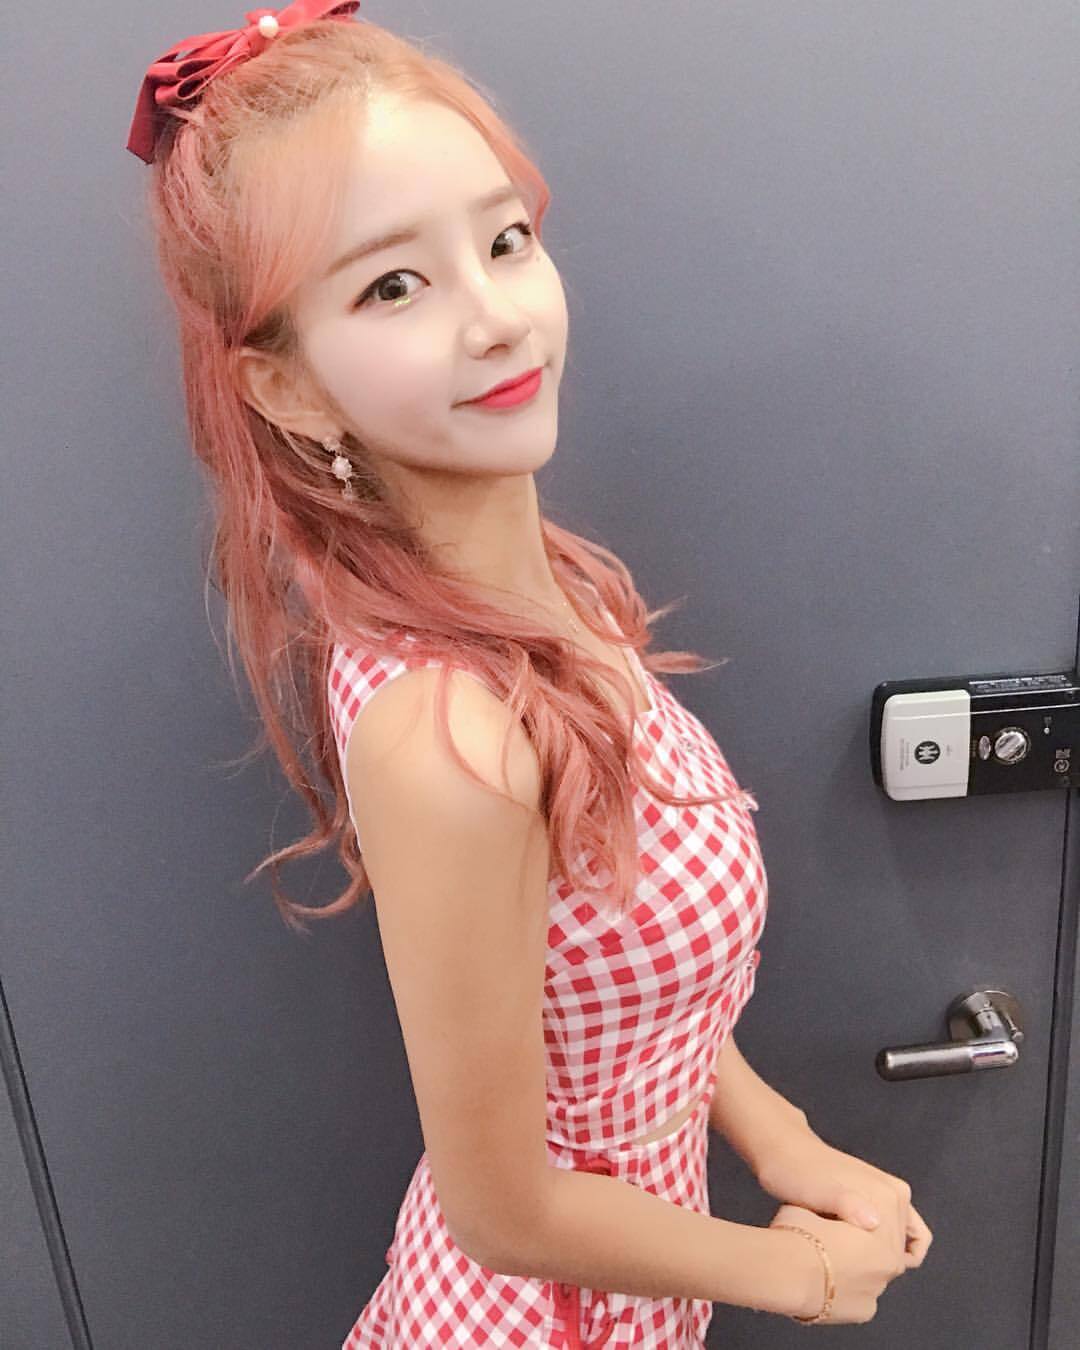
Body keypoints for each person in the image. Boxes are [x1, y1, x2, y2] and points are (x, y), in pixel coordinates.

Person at [126, 4, 932, 1345]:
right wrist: (800, 1274)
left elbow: (617, 995)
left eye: (503, 242)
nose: (498, 317)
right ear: (288, 389)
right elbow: (500, 1207)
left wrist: (780, 1136)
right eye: (394, 286)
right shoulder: (449, 736)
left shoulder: (556, 590)